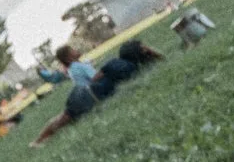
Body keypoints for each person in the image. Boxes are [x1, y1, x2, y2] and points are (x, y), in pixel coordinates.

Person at [33, 39, 165, 146]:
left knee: (65, 118)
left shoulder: (127, 66)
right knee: (65, 118)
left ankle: (40, 140)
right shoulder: (124, 66)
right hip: (88, 93)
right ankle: (39, 141)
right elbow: (97, 76)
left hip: (88, 94)